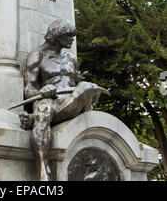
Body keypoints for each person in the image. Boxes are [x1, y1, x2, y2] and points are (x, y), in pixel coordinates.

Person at [20, 19, 110, 181]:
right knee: (44, 110)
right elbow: (29, 90)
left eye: (73, 35)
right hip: (50, 101)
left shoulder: (70, 58)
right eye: (69, 35)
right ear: (56, 36)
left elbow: (77, 83)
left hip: (71, 101)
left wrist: (93, 91)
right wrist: (43, 90)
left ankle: (33, 119)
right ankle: (43, 172)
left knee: (86, 87)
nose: (72, 39)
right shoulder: (37, 56)